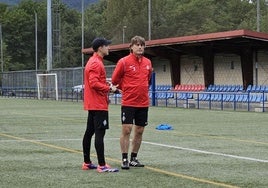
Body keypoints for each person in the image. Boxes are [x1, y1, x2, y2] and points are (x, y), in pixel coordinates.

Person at [111, 36, 153, 170]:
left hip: (143, 102)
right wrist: (127, 89)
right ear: (131, 47)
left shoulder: (148, 62)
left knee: (139, 131)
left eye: (142, 45)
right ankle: (124, 158)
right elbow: (115, 79)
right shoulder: (123, 62)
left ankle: (134, 157)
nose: (140, 47)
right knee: (127, 129)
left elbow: (149, 80)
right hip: (129, 101)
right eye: (137, 45)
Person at [82, 37, 119, 173]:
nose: (109, 48)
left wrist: (108, 85)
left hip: (94, 103)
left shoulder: (94, 61)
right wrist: (110, 89)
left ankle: (87, 162)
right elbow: (94, 83)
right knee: (99, 133)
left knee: (89, 132)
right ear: (100, 48)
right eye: (107, 46)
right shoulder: (96, 63)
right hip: (98, 104)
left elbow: (96, 81)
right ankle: (101, 165)